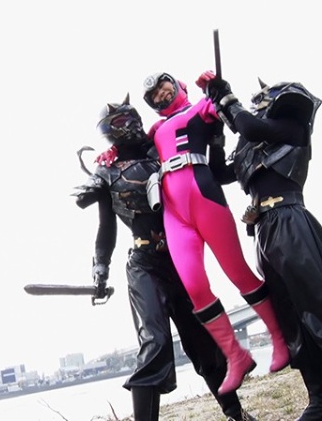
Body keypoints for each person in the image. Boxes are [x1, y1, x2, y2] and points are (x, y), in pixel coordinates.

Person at [198, 71, 322, 421]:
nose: (259, 105)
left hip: (292, 221)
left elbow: (250, 126)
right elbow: (219, 173)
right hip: (263, 231)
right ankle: (321, 400)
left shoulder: (292, 128)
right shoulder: (251, 144)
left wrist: (226, 98)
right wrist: (214, 127)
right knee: (292, 318)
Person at [98, 72, 289, 396]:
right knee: (195, 287)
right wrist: (111, 154)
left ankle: (280, 339)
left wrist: (219, 91)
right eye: (154, 95)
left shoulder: (201, 108)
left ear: (178, 85)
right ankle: (236, 356)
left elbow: (233, 117)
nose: (161, 94)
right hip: (174, 212)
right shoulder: (154, 131)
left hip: (205, 196)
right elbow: (130, 151)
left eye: (164, 87)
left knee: (239, 273)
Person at [73, 94, 257, 421]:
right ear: (109, 130)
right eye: (121, 121)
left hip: (178, 259)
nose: (131, 125)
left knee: (203, 340)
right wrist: (100, 270)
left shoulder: (162, 152)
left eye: (133, 117)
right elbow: (106, 228)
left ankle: (236, 414)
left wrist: (215, 133)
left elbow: (197, 168)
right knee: (154, 343)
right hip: (143, 265)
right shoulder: (107, 173)